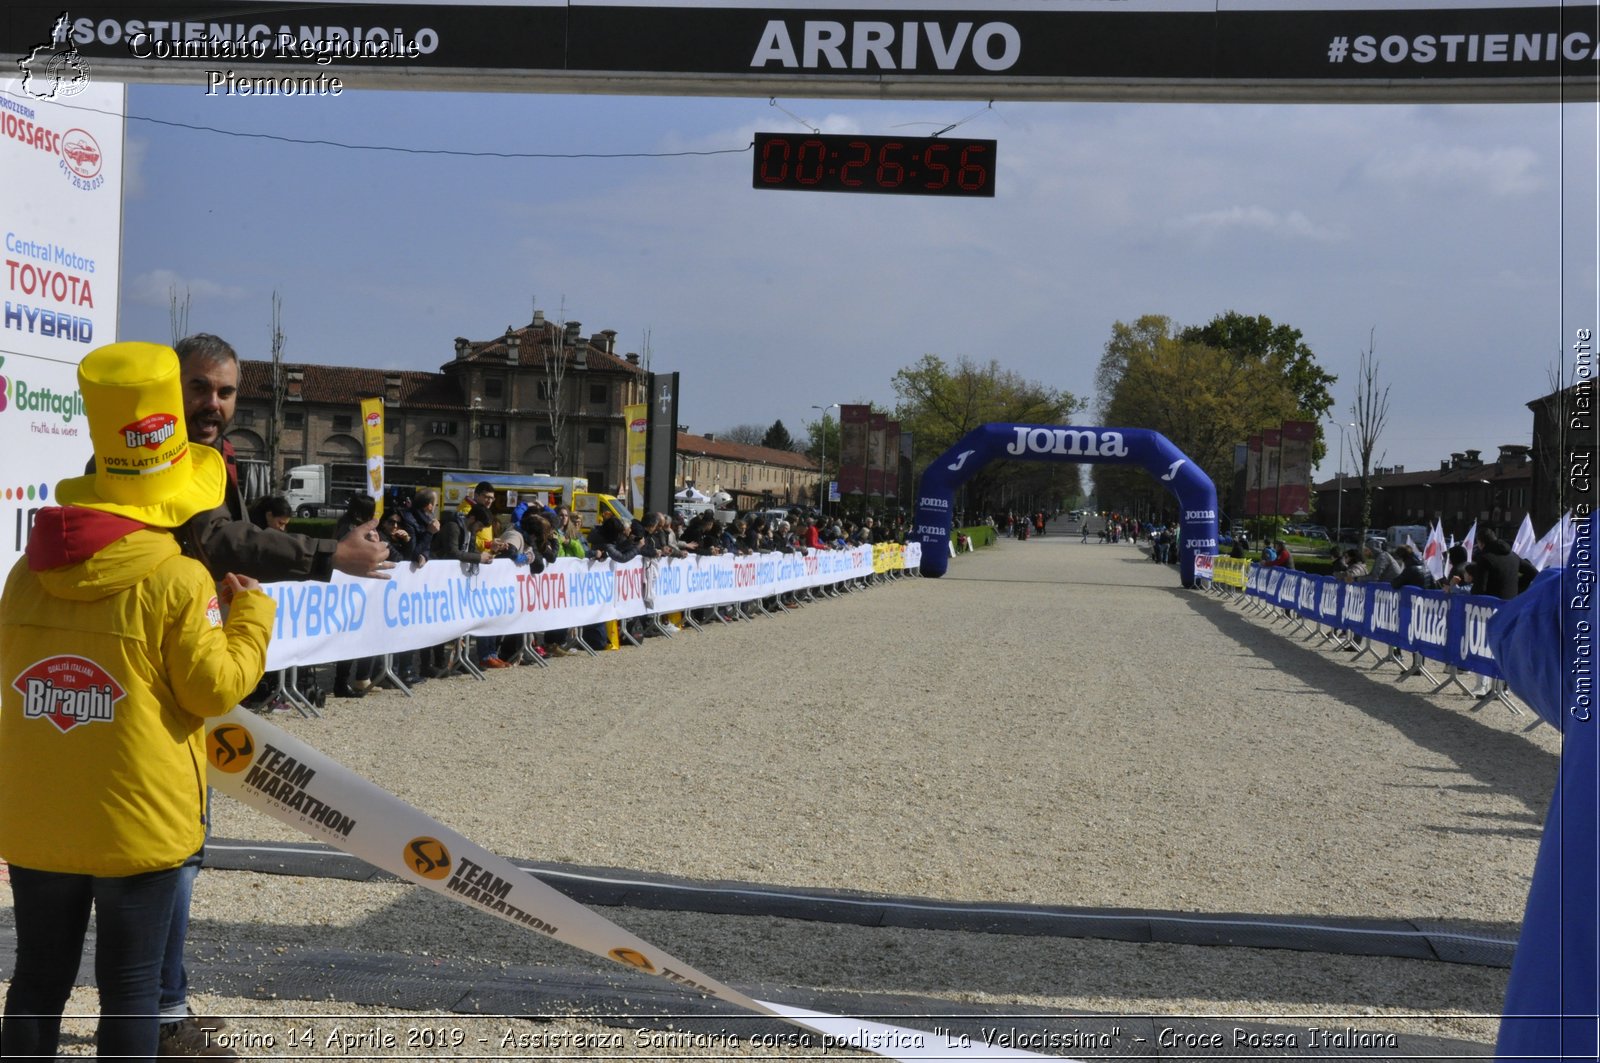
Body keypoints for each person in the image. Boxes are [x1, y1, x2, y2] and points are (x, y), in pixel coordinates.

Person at [0, 342, 274, 1061]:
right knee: (128, 990)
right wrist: (252, 618)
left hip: (38, 817)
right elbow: (212, 688)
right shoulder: (178, 579)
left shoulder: (25, 576)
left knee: (35, 981)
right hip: (139, 820)